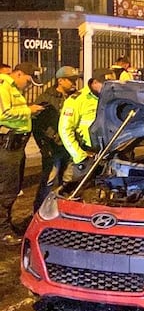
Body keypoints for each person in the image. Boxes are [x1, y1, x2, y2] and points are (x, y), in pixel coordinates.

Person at [0, 62, 45, 245]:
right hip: (7, 146)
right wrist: (28, 110)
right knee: (6, 190)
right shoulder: (3, 86)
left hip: (16, 146)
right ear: (18, 74)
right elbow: (3, 114)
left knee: (12, 188)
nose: (28, 85)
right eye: (27, 80)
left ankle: (6, 225)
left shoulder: (12, 88)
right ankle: (3, 231)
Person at [31, 66, 80, 211]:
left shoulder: (75, 97)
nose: (74, 83)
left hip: (69, 146)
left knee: (69, 180)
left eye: (75, 80)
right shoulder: (46, 99)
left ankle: (64, 210)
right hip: (53, 147)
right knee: (49, 181)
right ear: (60, 80)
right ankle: (40, 212)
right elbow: (37, 124)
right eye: (71, 80)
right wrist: (46, 143)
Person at [59, 69, 116, 185]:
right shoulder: (77, 100)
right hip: (87, 157)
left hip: (110, 155)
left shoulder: (112, 99)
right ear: (94, 83)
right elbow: (65, 130)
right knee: (80, 192)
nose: (110, 87)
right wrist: (79, 156)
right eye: (106, 84)